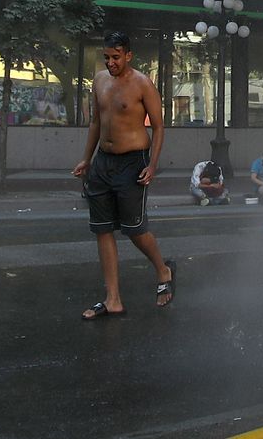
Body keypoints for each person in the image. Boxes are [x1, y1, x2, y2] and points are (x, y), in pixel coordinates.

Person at [71, 32, 175, 319]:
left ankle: (162, 269)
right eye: (107, 57)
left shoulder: (142, 83)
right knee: (102, 228)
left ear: (128, 55)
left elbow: (159, 126)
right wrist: (87, 158)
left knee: (135, 229)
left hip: (133, 162)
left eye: (116, 57)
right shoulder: (100, 81)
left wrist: (152, 165)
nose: (111, 62)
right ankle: (113, 299)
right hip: (103, 162)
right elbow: (96, 121)